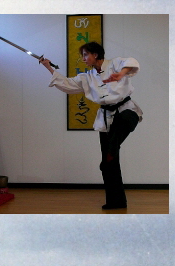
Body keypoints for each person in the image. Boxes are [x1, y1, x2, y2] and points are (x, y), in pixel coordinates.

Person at [39, 42, 143, 210]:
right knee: (110, 164)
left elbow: (132, 63)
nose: (84, 58)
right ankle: (116, 201)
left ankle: (111, 150)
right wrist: (48, 67)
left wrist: (120, 74)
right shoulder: (87, 77)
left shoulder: (115, 63)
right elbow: (66, 84)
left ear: (95, 54)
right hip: (106, 119)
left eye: (86, 54)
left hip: (126, 110)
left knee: (125, 120)